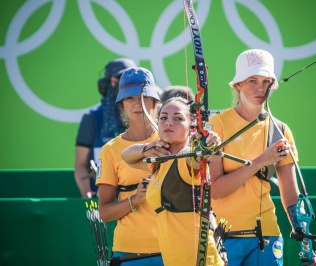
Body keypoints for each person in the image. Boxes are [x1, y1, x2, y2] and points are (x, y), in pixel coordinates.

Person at [207, 49, 316, 265]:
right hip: (223, 237)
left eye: (267, 81)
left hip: (266, 236)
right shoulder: (218, 125)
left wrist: (307, 242)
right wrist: (261, 161)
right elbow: (216, 190)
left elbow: (290, 194)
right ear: (238, 84)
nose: (261, 88)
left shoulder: (280, 130)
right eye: (253, 80)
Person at [121, 97, 226, 266]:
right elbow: (126, 156)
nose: (169, 123)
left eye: (178, 118)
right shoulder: (160, 161)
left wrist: (205, 146)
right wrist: (147, 148)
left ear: (192, 125)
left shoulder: (187, 158)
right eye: (163, 118)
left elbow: (196, 158)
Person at [96, 66, 163, 265]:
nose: (137, 104)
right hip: (130, 252)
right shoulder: (110, 150)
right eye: (130, 98)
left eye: (144, 97)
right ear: (122, 105)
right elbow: (105, 213)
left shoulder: (172, 140)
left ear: (155, 102)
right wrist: (136, 198)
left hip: (172, 248)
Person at [74, 58, 136, 198]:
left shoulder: (143, 116)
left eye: (127, 79)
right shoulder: (92, 118)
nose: (122, 83)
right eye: (119, 78)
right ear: (107, 83)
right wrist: (86, 192)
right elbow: (80, 164)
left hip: (136, 198)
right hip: (101, 197)